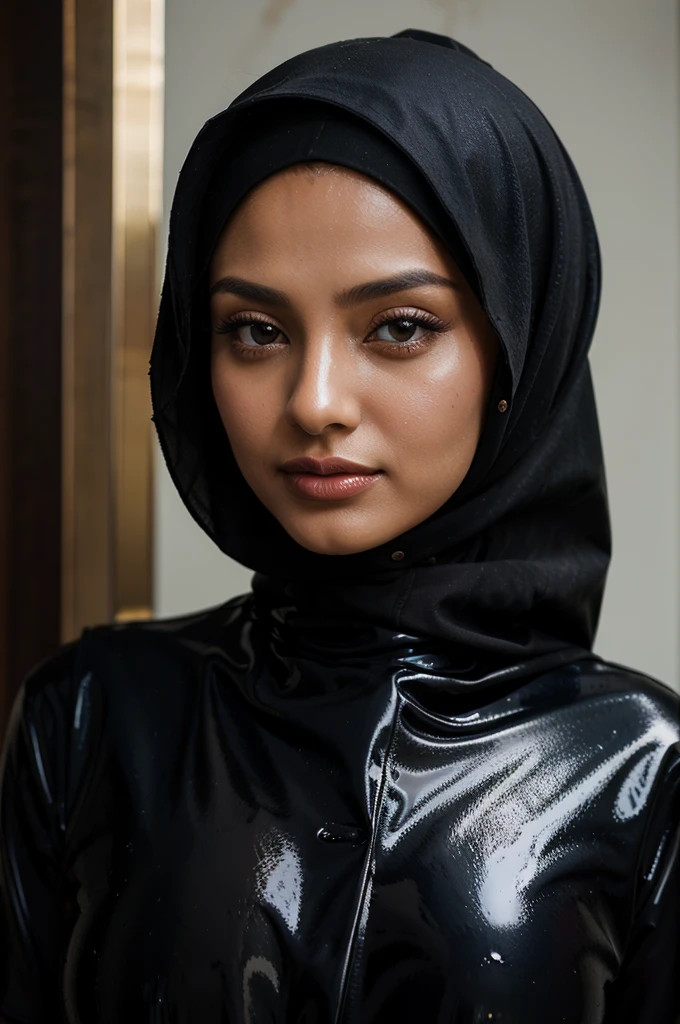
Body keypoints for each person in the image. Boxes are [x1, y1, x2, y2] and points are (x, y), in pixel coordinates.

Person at [0, 28, 678, 1024]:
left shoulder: (640, 767)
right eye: (255, 330)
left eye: (398, 326)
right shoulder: (92, 716)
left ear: (515, 348)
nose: (314, 400)